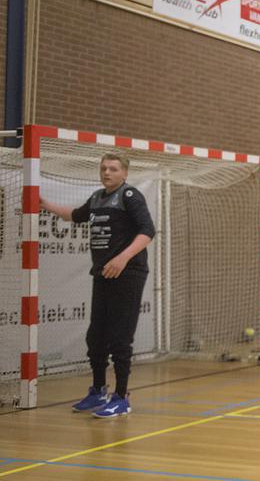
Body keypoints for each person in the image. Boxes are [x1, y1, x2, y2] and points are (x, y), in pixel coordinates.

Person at [40, 153, 155, 418]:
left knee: (120, 337)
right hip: (103, 273)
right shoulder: (96, 198)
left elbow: (147, 230)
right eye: (103, 168)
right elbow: (75, 215)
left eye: (113, 169)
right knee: (96, 336)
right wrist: (45, 204)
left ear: (124, 173)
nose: (106, 172)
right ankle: (98, 390)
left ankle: (122, 397)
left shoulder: (130, 196)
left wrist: (123, 258)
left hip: (128, 273)